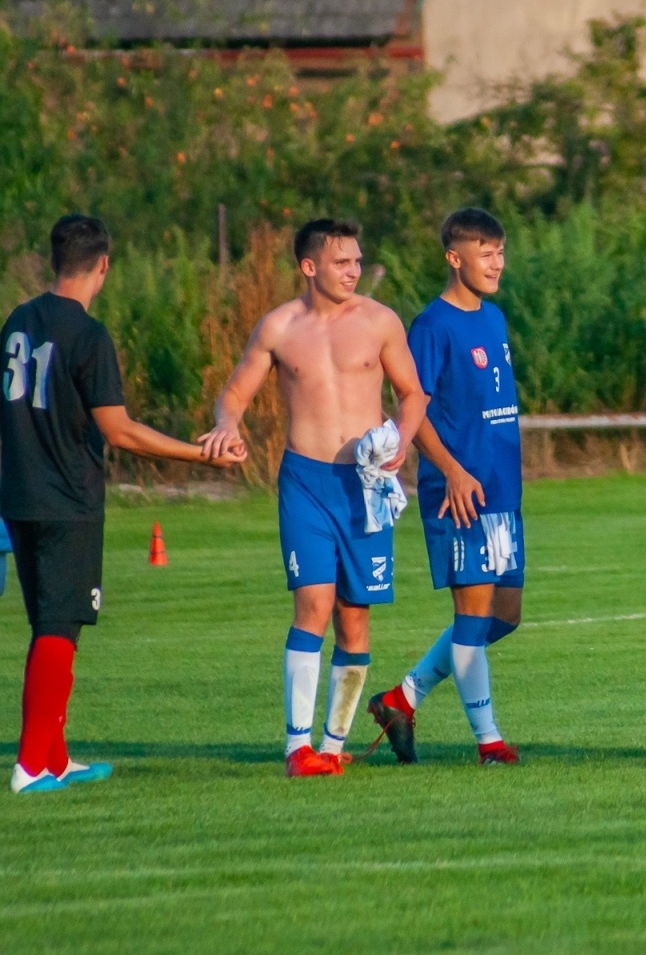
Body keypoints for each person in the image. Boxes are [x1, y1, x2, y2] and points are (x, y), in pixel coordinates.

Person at [2, 214, 245, 794]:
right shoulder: (89, 336)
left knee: (50, 626)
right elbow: (120, 431)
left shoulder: (18, 320)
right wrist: (200, 455)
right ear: (104, 265)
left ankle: (55, 759)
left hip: (19, 494)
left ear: (54, 259)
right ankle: (32, 764)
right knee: (59, 628)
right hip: (66, 499)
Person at [201, 218, 427, 778]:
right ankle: (297, 749)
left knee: (355, 620)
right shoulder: (278, 327)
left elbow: (413, 393)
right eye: (341, 262)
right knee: (314, 605)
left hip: (366, 485)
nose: (353, 271)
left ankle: (332, 744)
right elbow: (233, 394)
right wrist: (227, 424)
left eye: (357, 261)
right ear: (309, 267)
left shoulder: (380, 321)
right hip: (305, 481)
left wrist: (402, 435)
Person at [367, 209, 523, 766]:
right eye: (486, 252)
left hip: (502, 491)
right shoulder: (431, 326)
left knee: (504, 616)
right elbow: (413, 406)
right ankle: (489, 741)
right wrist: (452, 469)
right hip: (459, 493)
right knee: (474, 616)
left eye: (500, 251)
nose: (497, 262)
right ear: (455, 258)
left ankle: (400, 698)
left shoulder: (495, 318)